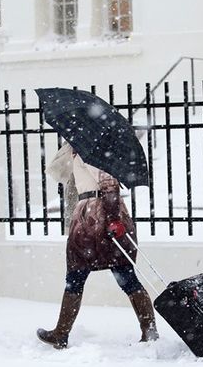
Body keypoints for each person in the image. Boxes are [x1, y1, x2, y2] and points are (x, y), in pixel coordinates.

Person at [37, 143, 158, 349]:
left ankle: (61, 333)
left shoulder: (91, 151)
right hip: (91, 219)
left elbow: (109, 184)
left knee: (79, 276)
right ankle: (149, 330)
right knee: (122, 276)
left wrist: (112, 219)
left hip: (95, 221)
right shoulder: (81, 150)